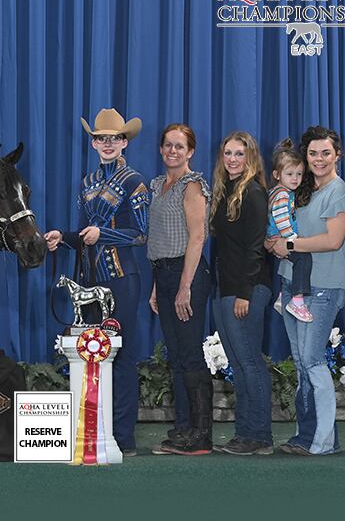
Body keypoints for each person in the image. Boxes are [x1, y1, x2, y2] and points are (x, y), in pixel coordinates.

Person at [44, 108, 149, 458]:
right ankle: (96, 430)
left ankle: (124, 436)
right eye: (101, 138)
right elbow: (85, 233)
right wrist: (64, 237)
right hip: (92, 280)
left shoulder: (134, 181)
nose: (108, 144)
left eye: (114, 138)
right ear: (93, 143)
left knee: (122, 353)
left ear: (124, 142)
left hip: (121, 279)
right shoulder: (87, 183)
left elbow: (141, 234)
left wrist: (101, 233)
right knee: (94, 356)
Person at [268, 126, 345, 456]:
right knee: (300, 361)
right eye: (313, 153)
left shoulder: (340, 193)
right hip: (291, 282)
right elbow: (280, 229)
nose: (319, 159)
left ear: (338, 155)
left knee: (311, 359)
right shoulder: (300, 189)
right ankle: (306, 435)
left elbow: (333, 240)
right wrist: (273, 242)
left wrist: (289, 244)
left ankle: (321, 441)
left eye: (325, 153)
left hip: (324, 286)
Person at [147, 124, 212, 456]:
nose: (173, 151)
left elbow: (197, 237)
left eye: (179, 146)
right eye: (168, 145)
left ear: (190, 152)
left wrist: (185, 285)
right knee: (175, 355)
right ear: (161, 149)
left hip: (187, 273)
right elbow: (158, 238)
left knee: (189, 353)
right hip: (164, 273)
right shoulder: (158, 185)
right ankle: (184, 428)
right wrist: (157, 286)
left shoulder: (192, 185)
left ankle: (201, 433)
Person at [210, 131, 274, 456]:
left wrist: (245, 293)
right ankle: (244, 433)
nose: (232, 159)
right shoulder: (225, 192)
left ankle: (259, 435)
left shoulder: (254, 193)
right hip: (226, 287)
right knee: (238, 363)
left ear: (250, 158)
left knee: (250, 362)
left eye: (239, 154)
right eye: (228, 153)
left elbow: (255, 248)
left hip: (247, 288)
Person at [267, 139, 313, 322]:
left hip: (279, 237)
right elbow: (281, 219)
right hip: (281, 236)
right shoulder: (282, 194)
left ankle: (283, 296)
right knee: (303, 258)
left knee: (295, 263)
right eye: (290, 174)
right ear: (277, 175)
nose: (295, 178)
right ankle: (297, 301)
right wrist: (293, 239)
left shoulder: (282, 192)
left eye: (299, 174)